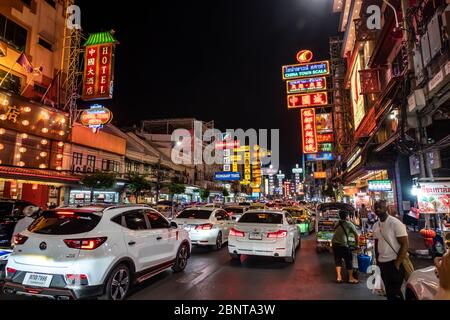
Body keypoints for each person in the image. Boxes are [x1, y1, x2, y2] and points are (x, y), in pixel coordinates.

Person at [373, 200, 409, 300]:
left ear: (386, 208)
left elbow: (405, 244)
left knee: (395, 292)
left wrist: (397, 264)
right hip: (382, 263)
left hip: (394, 263)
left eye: (380, 207)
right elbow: (377, 244)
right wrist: (377, 262)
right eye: (376, 207)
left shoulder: (395, 223)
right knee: (388, 292)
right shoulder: (375, 225)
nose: (378, 209)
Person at [331, 210, 359, 284]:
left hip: (334, 243)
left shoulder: (337, 223)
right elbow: (356, 235)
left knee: (338, 260)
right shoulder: (349, 224)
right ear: (347, 216)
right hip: (343, 244)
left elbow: (336, 231)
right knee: (348, 260)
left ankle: (339, 277)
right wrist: (357, 244)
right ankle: (351, 278)